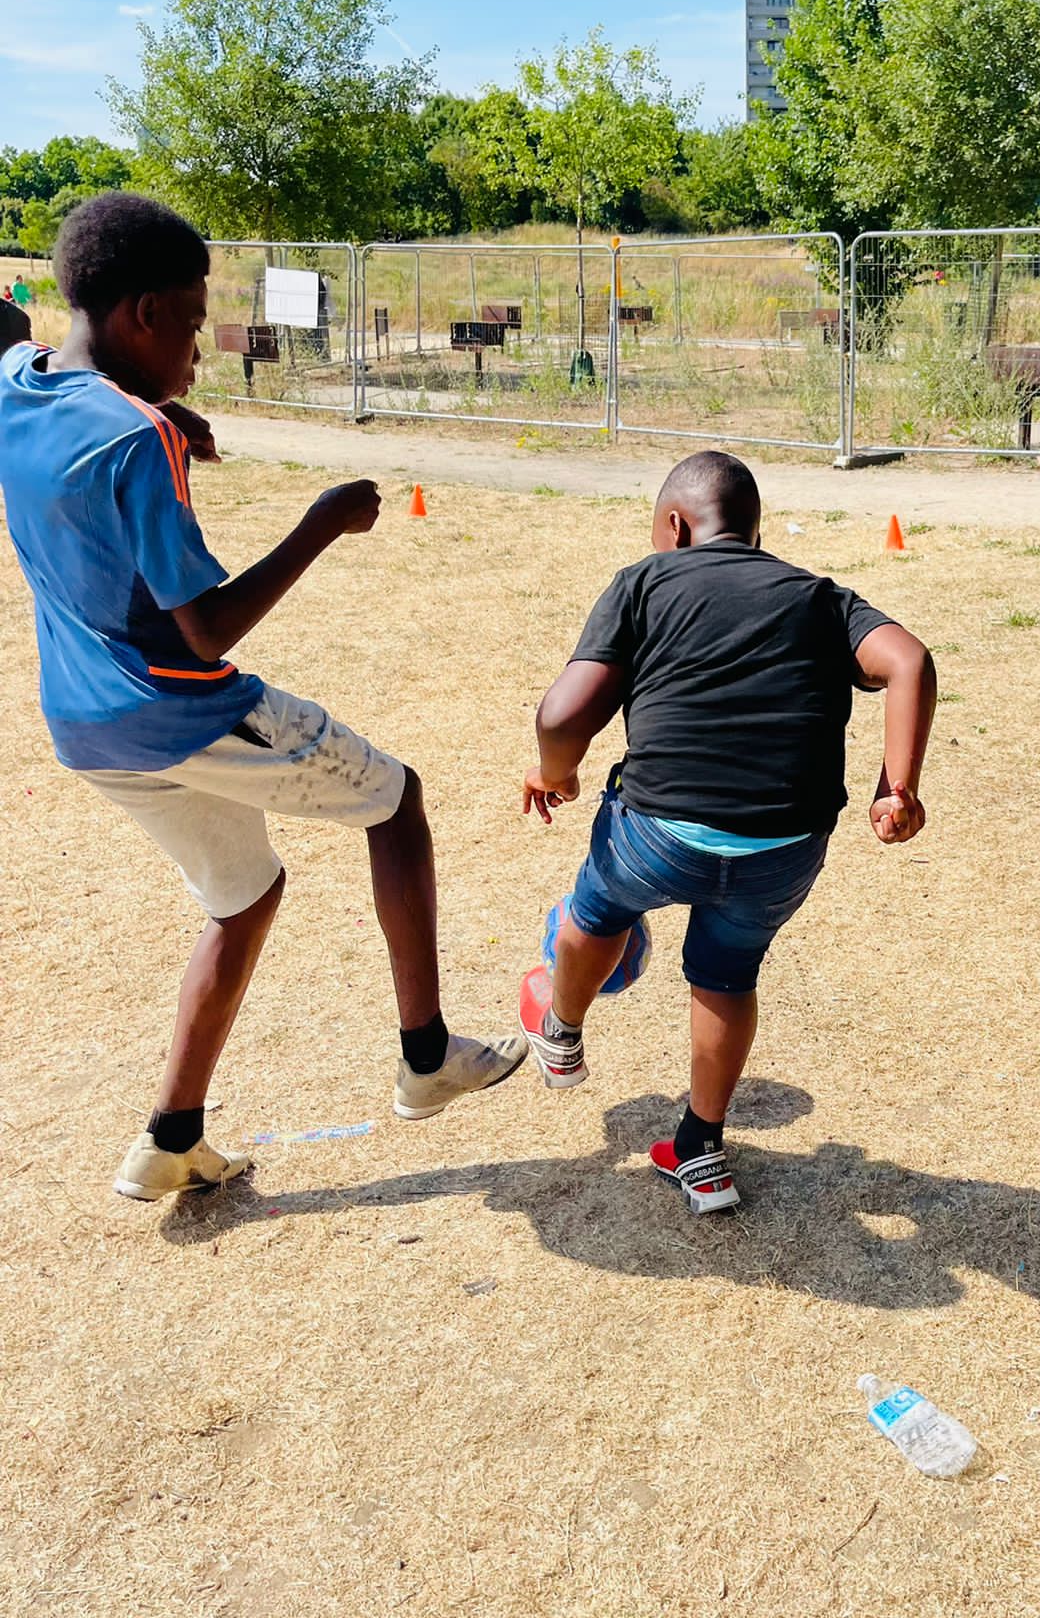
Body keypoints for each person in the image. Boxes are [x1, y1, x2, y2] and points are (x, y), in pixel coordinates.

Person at [0, 192, 525, 1203]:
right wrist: (322, 523)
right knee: (397, 798)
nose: (198, 348)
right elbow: (206, 626)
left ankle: (171, 1133)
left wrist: (160, 404)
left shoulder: (21, 380)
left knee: (244, 896)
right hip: (181, 707)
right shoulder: (132, 440)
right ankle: (425, 1053)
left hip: (83, 726)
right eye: (192, 325)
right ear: (143, 315)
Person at [519, 449, 936, 1214]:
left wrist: (555, 771)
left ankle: (563, 1031)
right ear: (753, 529)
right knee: (726, 974)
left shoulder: (644, 581)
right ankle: (702, 1150)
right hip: (782, 848)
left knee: (596, 911)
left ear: (674, 526)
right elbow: (908, 659)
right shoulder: (818, 596)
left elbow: (560, 713)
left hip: (657, 834)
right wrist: (897, 786)